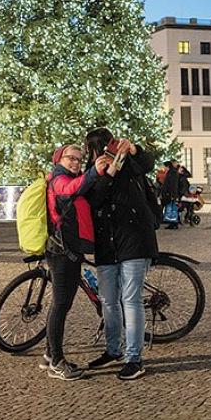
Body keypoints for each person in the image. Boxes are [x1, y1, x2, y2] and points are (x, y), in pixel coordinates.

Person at [84, 128, 156, 381]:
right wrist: (105, 173)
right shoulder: (92, 171)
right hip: (106, 243)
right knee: (108, 300)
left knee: (130, 299)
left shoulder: (129, 164)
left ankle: (134, 358)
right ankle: (113, 350)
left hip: (133, 239)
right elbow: (93, 200)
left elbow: (147, 164)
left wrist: (133, 150)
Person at [42, 144, 110, 381]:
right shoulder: (59, 179)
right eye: (71, 158)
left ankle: (49, 354)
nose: (75, 163)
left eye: (79, 160)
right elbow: (70, 189)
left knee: (62, 304)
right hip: (62, 253)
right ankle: (56, 362)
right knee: (61, 305)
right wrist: (93, 172)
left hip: (70, 251)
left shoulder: (72, 177)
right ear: (59, 159)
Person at [161, 160, 182, 229]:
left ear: (168, 166)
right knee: (171, 208)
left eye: (165, 166)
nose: (164, 168)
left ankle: (174, 223)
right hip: (172, 193)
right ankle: (172, 223)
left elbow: (172, 184)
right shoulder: (172, 172)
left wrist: (171, 193)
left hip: (171, 193)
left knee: (172, 208)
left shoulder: (172, 173)